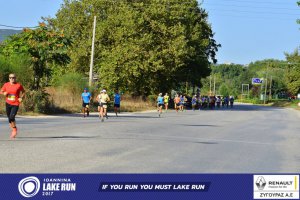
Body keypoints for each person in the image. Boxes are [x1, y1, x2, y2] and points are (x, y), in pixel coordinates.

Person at [0, 73, 25, 139]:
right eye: (10, 77)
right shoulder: (6, 84)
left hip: (15, 103)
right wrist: (4, 93)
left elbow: (23, 92)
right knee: (9, 118)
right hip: (8, 103)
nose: (12, 79)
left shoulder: (18, 85)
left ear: (15, 78)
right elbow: (1, 91)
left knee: (11, 117)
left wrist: (21, 98)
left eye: (13, 77)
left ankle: (14, 129)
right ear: (9, 78)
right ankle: (13, 129)